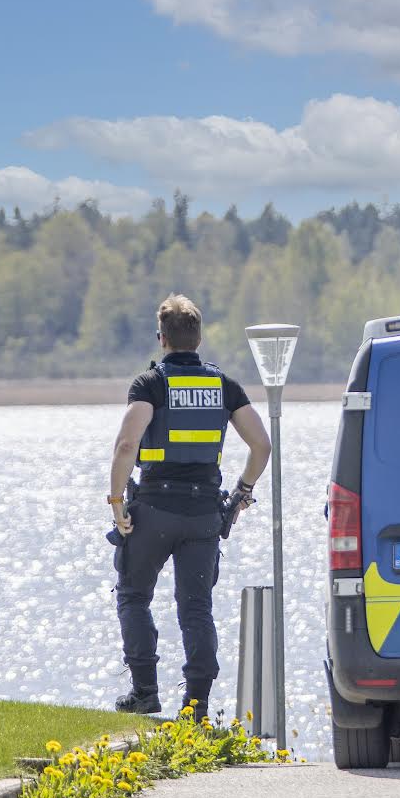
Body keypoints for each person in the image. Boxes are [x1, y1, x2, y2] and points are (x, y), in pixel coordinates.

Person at [107, 295, 271, 716]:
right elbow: (261, 445)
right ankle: (196, 706)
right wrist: (242, 491)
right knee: (196, 608)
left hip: (155, 510)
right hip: (203, 516)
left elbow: (127, 444)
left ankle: (145, 691)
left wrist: (116, 500)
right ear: (198, 338)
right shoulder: (224, 386)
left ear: (162, 338)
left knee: (133, 596)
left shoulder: (150, 384)